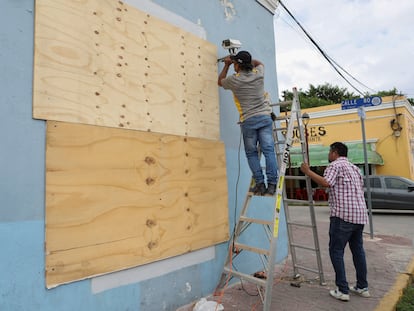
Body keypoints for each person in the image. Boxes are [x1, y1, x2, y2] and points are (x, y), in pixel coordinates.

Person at [300, 142, 370, 302]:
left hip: (343, 216)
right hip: (359, 216)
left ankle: (342, 290)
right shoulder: (355, 168)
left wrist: (308, 171)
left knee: (336, 251)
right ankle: (362, 287)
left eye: (330, 151)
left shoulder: (334, 165)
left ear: (335, 152)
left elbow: (326, 183)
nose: (328, 154)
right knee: (358, 251)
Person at [218, 50, 277, 195]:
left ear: (237, 65)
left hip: (249, 120)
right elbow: (260, 63)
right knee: (269, 151)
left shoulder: (234, 80)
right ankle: (272, 184)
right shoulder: (259, 74)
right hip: (264, 117)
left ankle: (260, 184)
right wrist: (243, 60)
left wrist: (226, 64)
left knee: (251, 154)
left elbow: (220, 81)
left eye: (235, 65)